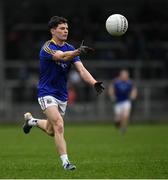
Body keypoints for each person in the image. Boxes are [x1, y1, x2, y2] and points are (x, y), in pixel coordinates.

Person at [22, 16, 104, 170]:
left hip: (61, 95)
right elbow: (61, 56)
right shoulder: (47, 47)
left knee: (51, 130)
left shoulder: (70, 48)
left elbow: (81, 69)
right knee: (59, 124)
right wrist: (78, 51)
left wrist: (93, 82)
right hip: (46, 92)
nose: (65, 31)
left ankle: (31, 121)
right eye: (62, 28)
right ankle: (66, 163)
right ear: (53, 31)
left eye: (67, 28)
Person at [108, 69, 137, 134]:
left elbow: (134, 90)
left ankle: (123, 128)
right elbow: (111, 88)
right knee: (118, 118)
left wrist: (133, 96)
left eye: (126, 75)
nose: (124, 76)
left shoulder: (130, 82)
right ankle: (117, 123)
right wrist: (112, 95)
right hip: (118, 102)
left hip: (126, 101)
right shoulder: (116, 82)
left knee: (125, 115)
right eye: (123, 75)